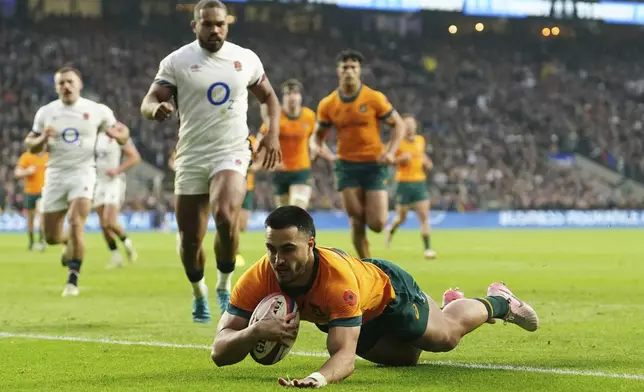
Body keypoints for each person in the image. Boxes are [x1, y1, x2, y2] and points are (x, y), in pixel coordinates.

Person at [212, 206, 539, 387]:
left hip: (387, 295)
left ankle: (500, 301)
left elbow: (344, 357)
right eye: (271, 249)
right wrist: (253, 332)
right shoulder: (259, 276)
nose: (278, 260)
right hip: (350, 316)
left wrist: (317, 379)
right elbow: (219, 351)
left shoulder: (336, 282)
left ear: (310, 245)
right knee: (407, 360)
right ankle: (443, 307)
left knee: (445, 337)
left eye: (287, 249)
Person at [140, 0, 282, 322]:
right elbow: (149, 100)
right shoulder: (177, 61)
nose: (215, 29)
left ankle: (224, 285)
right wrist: (155, 110)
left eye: (220, 24)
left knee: (225, 214)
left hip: (231, 149)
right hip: (191, 155)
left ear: (227, 25)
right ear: (195, 26)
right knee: (190, 241)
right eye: (208, 24)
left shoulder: (245, 58)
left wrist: (272, 134)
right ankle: (198, 291)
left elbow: (269, 97)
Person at [23, 66, 130, 297]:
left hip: (84, 173)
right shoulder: (46, 112)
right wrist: (43, 137)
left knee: (75, 220)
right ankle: (68, 243)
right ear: (56, 87)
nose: (66, 86)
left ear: (80, 84)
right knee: (51, 236)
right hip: (55, 174)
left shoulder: (97, 110)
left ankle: (72, 279)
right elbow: (30, 145)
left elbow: (123, 135)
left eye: (70, 82)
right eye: (61, 83)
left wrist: (117, 135)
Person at [313, 49, 406, 259]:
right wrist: (318, 149)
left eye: (353, 67)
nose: (349, 72)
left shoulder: (374, 98)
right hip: (346, 165)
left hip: (374, 164)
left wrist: (390, 152)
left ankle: (371, 232)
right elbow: (317, 136)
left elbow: (398, 124)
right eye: (345, 67)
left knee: (377, 223)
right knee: (356, 219)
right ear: (338, 71)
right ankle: (368, 264)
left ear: (360, 71)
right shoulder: (328, 104)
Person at [257, 79, 320, 209]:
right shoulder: (275, 117)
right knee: (284, 216)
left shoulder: (309, 116)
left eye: (295, 93)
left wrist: (314, 146)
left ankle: (301, 227)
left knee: (297, 208)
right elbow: (260, 140)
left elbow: (314, 136)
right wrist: (265, 161)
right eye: (288, 93)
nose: (292, 96)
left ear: (300, 97)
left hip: (301, 170)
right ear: (283, 98)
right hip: (280, 172)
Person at [385, 114, 436, 259]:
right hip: (403, 182)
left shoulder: (420, 140)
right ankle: (391, 229)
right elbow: (387, 159)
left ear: (415, 126)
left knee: (424, 216)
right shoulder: (397, 142)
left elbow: (421, 155)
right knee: (402, 217)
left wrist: (427, 162)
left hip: (419, 182)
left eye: (411, 125)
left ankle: (427, 249)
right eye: (406, 125)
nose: (409, 127)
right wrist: (400, 159)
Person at [94, 130, 141, 268]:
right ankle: (116, 257)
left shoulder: (118, 135)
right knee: (103, 224)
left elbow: (134, 157)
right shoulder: (94, 136)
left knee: (109, 221)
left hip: (113, 182)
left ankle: (127, 244)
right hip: (98, 182)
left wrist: (117, 170)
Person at [14, 147, 49, 251]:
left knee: (41, 217)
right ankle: (31, 242)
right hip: (30, 192)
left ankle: (42, 241)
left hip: (44, 192)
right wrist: (27, 171)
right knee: (30, 219)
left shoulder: (48, 157)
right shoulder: (27, 156)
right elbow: (17, 173)